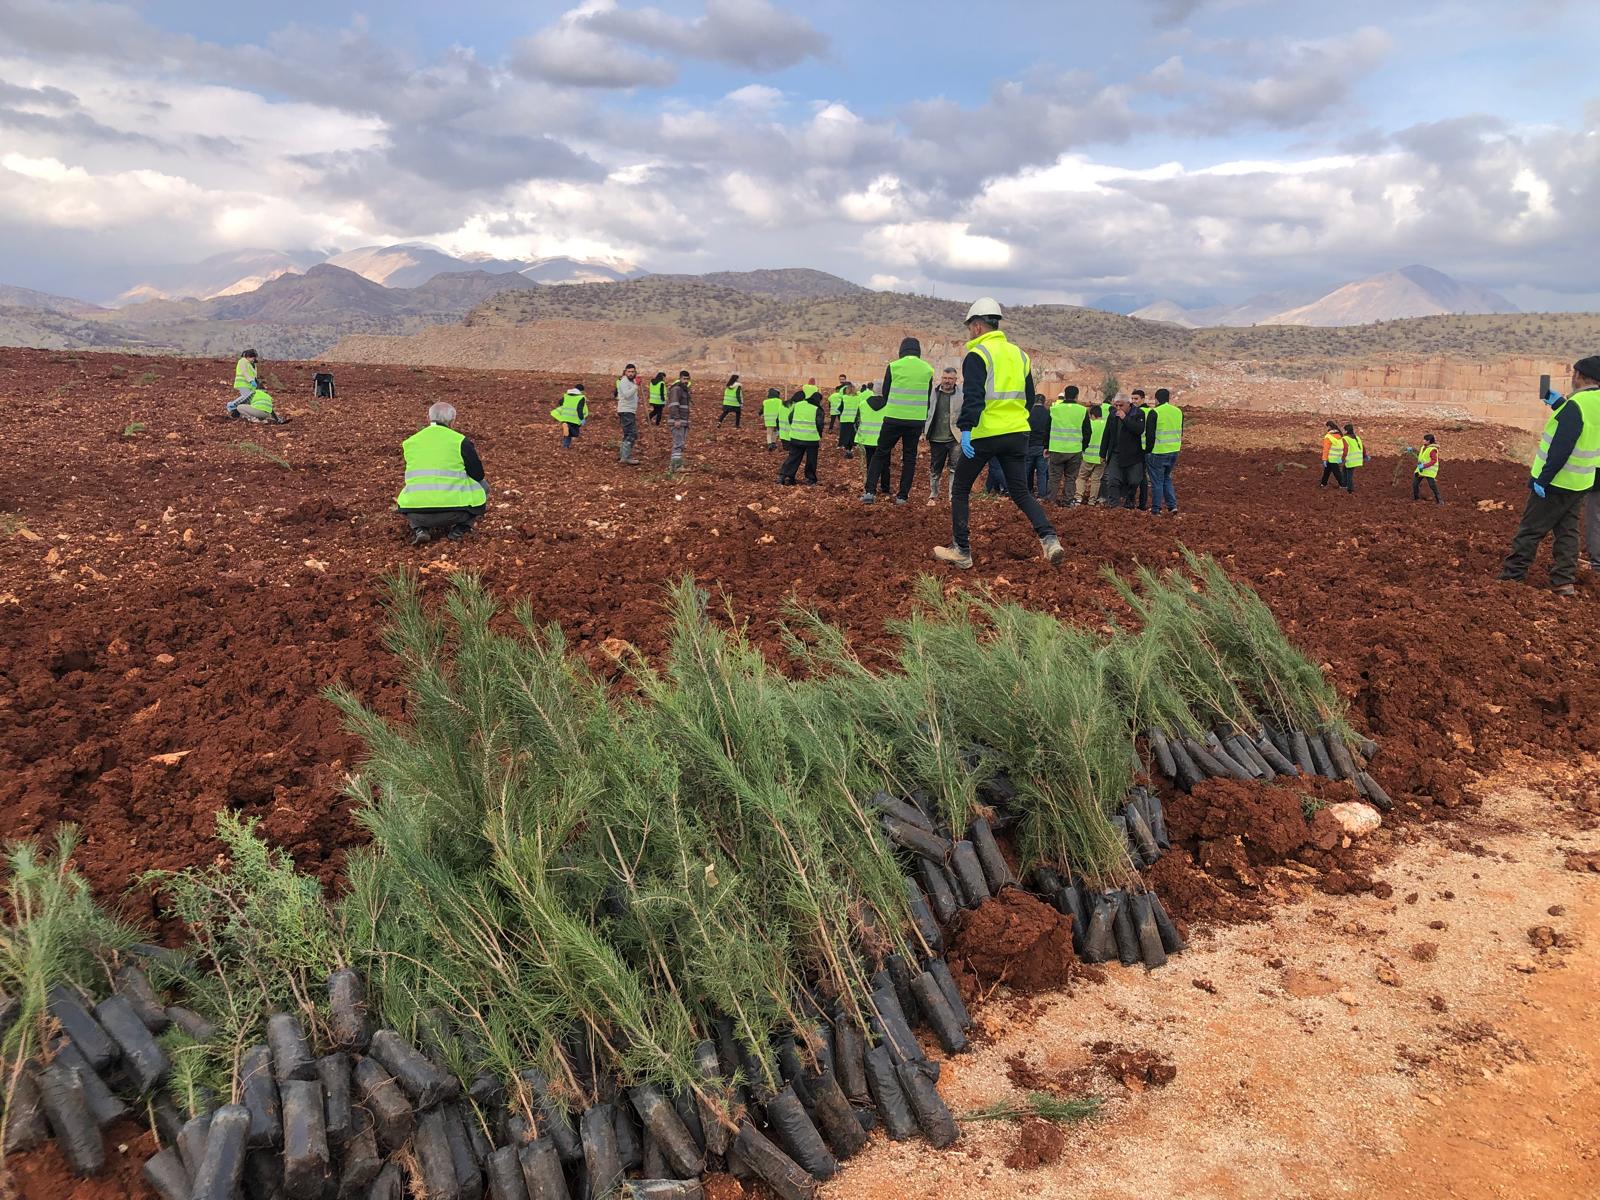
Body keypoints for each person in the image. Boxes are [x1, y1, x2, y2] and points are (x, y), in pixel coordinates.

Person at [932, 297, 1064, 568]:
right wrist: (1015, 421)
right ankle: (1049, 538)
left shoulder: (978, 355)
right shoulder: (1020, 355)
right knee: (1021, 492)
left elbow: (973, 397)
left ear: (978, 326)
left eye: (970, 328)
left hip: (986, 433)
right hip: (1017, 434)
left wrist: (966, 429)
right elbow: (1029, 398)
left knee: (960, 488)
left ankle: (961, 550)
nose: (969, 333)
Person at [1498, 358, 1600, 596]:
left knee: (1530, 530)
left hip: (1556, 482)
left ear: (1580, 376)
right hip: (1581, 483)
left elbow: (1562, 447)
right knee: (1568, 532)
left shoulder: (1577, 405)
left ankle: (1511, 578)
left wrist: (1543, 479)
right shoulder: (1589, 403)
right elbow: (1586, 428)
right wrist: (1560, 405)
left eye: (1574, 373)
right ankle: (1563, 582)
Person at [396, 401, 487, 546]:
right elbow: (478, 475)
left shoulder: (410, 442)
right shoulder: (460, 441)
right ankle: (461, 529)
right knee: (483, 486)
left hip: (416, 513)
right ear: (452, 421)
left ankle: (420, 529)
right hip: (455, 513)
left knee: (411, 488)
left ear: (428, 418)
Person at [869, 338, 934, 505]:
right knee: (909, 457)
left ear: (901, 350)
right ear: (918, 351)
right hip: (916, 421)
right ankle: (902, 496)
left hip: (893, 418)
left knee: (881, 453)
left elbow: (885, 393)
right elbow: (927, 396)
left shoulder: (893, 366)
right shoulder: (928, 369)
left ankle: (870, 491)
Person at [1046, 385, 1090, 506]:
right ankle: (1067, 501)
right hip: (1074, 450)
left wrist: (1046, 446)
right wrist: (1083, 447)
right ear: (1077, 396)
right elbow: (1087, 432)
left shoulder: (1054, 409)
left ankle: (1051, 501)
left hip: (1056, 449)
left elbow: (1047, 429)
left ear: (1065, 395)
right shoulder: (1082, 410)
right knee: (1071, 478)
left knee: (1054, 477)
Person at [1143, 387, 1183, 514]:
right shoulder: (1178, 411)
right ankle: (1172, 506)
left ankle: (1156, 509)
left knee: (1157, 481)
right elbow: (1181, 430)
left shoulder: (1154, 412)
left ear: (1156, 400)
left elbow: (1150, 435)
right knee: (1166, 478)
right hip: (1174, 450)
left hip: (1158, 452)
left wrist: (1147, 451)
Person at [925, 366, 960, 503]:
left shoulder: (961, 395)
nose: (947, 381)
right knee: (935, 468)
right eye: (945, 378)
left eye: (950, 378)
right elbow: (927, 410)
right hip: (936, 437)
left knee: (954, 469)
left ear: (955, 380)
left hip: (955, 437)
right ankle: (933, 493)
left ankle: (952, 496)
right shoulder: (933, 392)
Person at [778, 384, 823, 485]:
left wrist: (795, 428)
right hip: (811, 439)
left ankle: (784, 476)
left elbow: (790, 418)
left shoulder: (798, 405)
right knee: (811, 460)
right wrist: (819, 435)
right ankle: (810, 479)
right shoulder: (817, 409)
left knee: (793, 458)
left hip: (795, 437)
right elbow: (819, 424)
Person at [1109, 395, 1147, 508]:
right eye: (1116, 405)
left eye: (1121, 405)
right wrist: (1103, 452)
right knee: (1113, 480)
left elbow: (1139, 429)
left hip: (1133, 454)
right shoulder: (1113, 415)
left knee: (1134, 480)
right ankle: (1114, 505)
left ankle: (1130, 498)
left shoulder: (1138, 413)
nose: (1118, 408)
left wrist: (1125, 418)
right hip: (1116, 452)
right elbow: (1107, 433)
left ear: (1128, 404)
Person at [855, 383, 887, 499]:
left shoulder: (863, 404)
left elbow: (856, 421)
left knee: (870, 464)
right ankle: (885, 487)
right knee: (885, 464)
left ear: (873, 390)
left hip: (867, 439)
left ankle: (870, 487)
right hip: (883, 440)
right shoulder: (889, 405)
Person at [1079, 401, 1108, 505]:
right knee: (1096, 480)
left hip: (1087, 456)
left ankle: (1078, 497)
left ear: (1092, 415)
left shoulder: (1089, 424)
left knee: (1082, 477)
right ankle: (1092, 501)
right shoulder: (1106, 424)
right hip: (1101, 458)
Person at [1025, 389, 1051, 499]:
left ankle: (1027, 492)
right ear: (1044, 402)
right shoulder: (1048, 413)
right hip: (1042, 446)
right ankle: (1042, 494)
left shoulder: (1028, 413)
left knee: (1027, 470)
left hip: (1029, 445)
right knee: (1042, 472)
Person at [616, 364, 642, 465]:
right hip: (626, 410)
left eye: (632, 372)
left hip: (630, 410)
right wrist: (636, 386)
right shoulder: (624, 381)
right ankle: (626, 457)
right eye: (629, 372)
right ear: (625, 372)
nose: (631, 373)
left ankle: (623, 455)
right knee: (631, 433)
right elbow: (627, 395)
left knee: (627, 433)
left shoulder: (631, 382)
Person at [667, 371, 691, 471]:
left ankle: (676, 465)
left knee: (680, 444)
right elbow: (673, 405)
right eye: (684, 379)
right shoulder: (676, 389)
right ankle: (676, 466)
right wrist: (677, 419)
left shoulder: (684, 390)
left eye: (687, 379)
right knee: (678, 443)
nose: (686, 381)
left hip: (683, 421)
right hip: (678, 421)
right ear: (680, 378)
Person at [551, 384, 586, 448]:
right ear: (581, 390)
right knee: (575, 433)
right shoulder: (581, 398)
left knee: (567, 433)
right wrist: (582, 418)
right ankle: (568, 427)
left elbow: (560, 402)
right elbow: (579, 409)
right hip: (573, 418)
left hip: (565, 417)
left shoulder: (567, 396)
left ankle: (565, 446)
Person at [1410, 434, 1441, 502]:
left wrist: (1424, 466)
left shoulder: (1433, 450)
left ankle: (1439, 500)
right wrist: (1412, 450)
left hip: (1429, 471)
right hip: (1420, 469)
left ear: (1428, 441)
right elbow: (1420, 454)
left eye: (1424, 439)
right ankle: (1416, 498)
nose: (1423, 440)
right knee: (1415, 484)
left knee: (1432, 485)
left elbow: (1434, 461)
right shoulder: (1423, 447)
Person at [228, 349, 260, 416]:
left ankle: (238, 412)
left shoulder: (252, 364)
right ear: (248, 356)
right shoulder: (242, 361)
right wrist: (251, 380)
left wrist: (255, 382)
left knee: (249, 400)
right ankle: (232, 405)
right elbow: (244, 372)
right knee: (246, 396)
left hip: (250, 385)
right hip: (242, 383)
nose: (253, 359)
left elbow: (254, 375)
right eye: (252, 358)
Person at [1320, 421, 1346, 488]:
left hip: (1331, 457)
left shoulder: (1328, 437)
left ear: (1329, 427)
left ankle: (1342, 485)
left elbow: (1326, 449)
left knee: (1336, 472)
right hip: (1337, 456)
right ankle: (1323, 483)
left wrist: (1324, 459)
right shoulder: (1339, 435)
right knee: (1327, 470)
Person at [838, 383, 860, 456]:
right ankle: (850, 449)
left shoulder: (844, 398)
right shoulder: (858, 398)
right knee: (851, 435)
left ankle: (847, 449)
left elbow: (840, 409)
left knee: (845, 434)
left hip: (845, 419)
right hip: (854, 419)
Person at [1341, 423, 1363, 493]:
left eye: (1344, 430)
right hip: (1358, 459)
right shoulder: (1357, 437)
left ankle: (1350, 489)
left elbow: (1345, 450)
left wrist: (1342, 459)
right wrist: (1365, 455)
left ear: (1346, 431)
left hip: (1351, 460)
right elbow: (1363, 447)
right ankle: (1344, 485)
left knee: (1349, 473)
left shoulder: (1345, 438)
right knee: (1344, 470)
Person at [763, 387, 784, 451]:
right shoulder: (780, 401)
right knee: (775, 432)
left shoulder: (765, 402)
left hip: (768, 421)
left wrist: (760, 413)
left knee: (769, 433)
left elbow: (762, 409)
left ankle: (769, 444)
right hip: (777, 420)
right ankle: (773, 443)